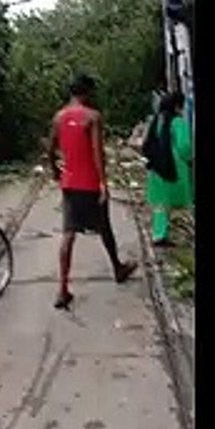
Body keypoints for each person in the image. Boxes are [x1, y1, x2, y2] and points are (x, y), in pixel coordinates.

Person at [48, 74, 138, 310]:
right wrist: (103, 183)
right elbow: (98, 153)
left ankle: (62, 288)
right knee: (104, 228)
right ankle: (118, 268)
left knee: (68, 234)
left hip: (69, 183)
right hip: (89, 182)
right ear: (87, 92)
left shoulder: (58, 117)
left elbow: (50, 148)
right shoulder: (93, 117)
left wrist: (55, 170)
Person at [143, 91, 194, 246]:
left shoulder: (157, 120)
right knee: (175, 200)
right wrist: (190, 159)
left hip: (156, 167)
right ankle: (162, 234)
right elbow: (184, 146)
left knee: (160, 204)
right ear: (178, 106)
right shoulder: (178, 122)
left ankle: (159, 233)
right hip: (173, 166)